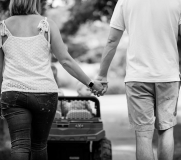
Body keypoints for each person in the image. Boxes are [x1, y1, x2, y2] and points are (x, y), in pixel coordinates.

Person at [96, 0, 181, 160]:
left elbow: (112, 40)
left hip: (137, 77)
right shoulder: (179, 1)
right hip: (168, 77)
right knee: (166, 131)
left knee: (143, 135)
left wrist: (102, 75)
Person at [0, 0, 104, 160]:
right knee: (39, 145)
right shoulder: (47, 25)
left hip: (13, 94)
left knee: (19, 145)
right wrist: (90, 83)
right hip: (44, 94)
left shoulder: (2, 27)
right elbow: (66, 60)